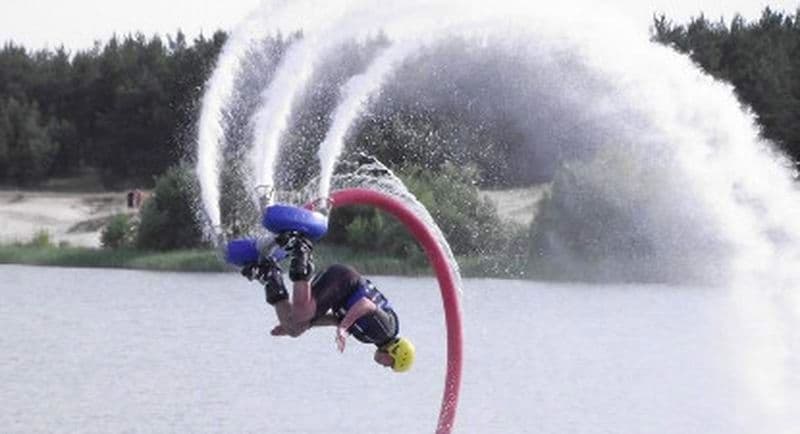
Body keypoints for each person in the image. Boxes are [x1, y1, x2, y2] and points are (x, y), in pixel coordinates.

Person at [241, 232, 415, 372]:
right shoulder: (386, 331)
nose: (385, 366)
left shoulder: (371, 338)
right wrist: (344, 328)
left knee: (294, 327)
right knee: (302, 313)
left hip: (339, 291)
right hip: (344, 281)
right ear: (395, 353)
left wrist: (306, 325)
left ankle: (270, 275)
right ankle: (301, 250)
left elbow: (335, 319)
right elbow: (365, 304)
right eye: (391, 364)